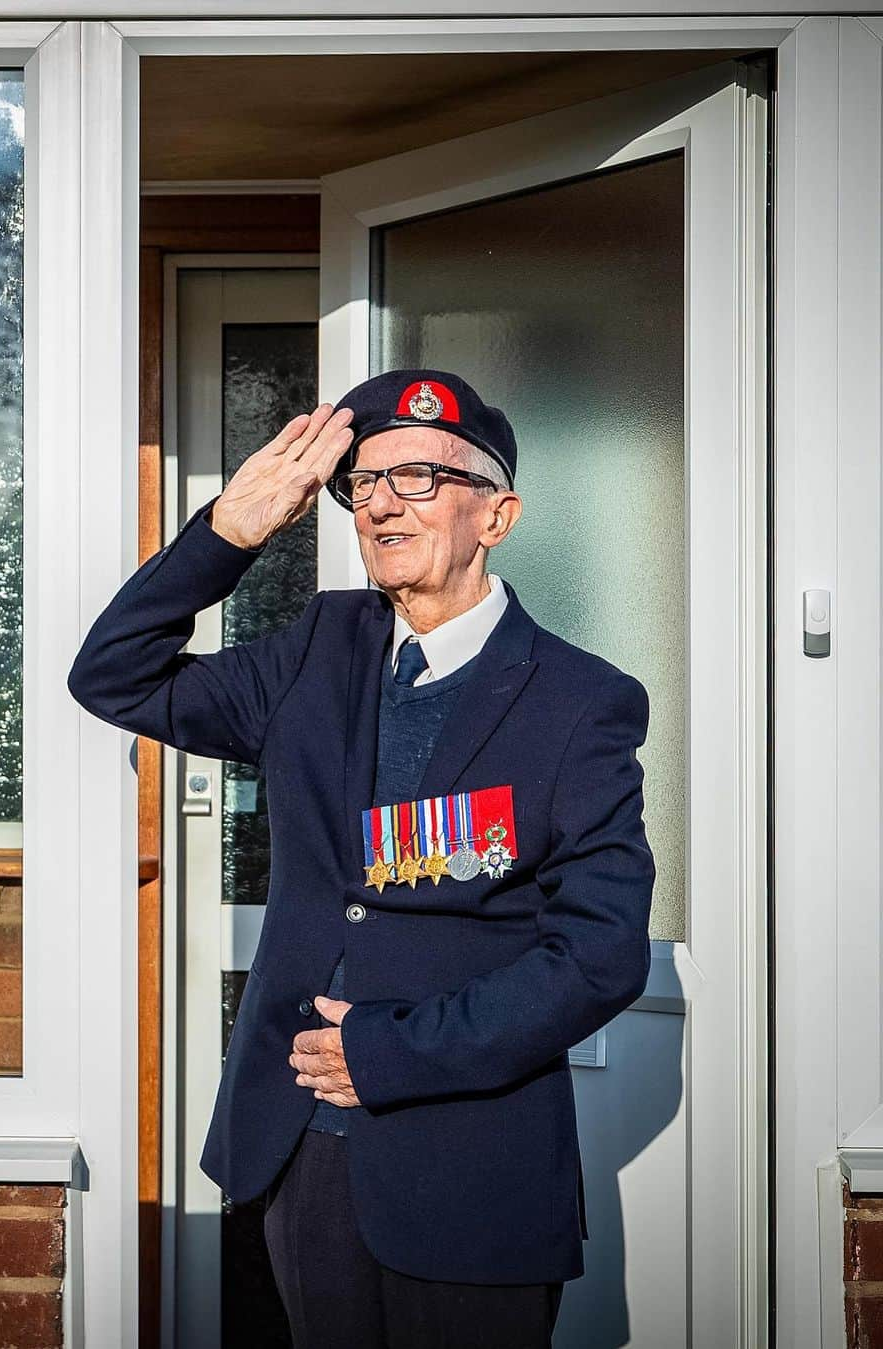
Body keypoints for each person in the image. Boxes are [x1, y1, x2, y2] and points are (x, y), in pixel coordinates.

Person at [66, 369, 656, 1349]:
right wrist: (231, 530)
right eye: (363, 481)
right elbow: (113, 674)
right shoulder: (316, 648)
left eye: (419, 477)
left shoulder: (578, 701)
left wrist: (390, 1050)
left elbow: (600, 954)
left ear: (496, 515)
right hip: (303, 1158)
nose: (379, 500)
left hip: (472, 1168)